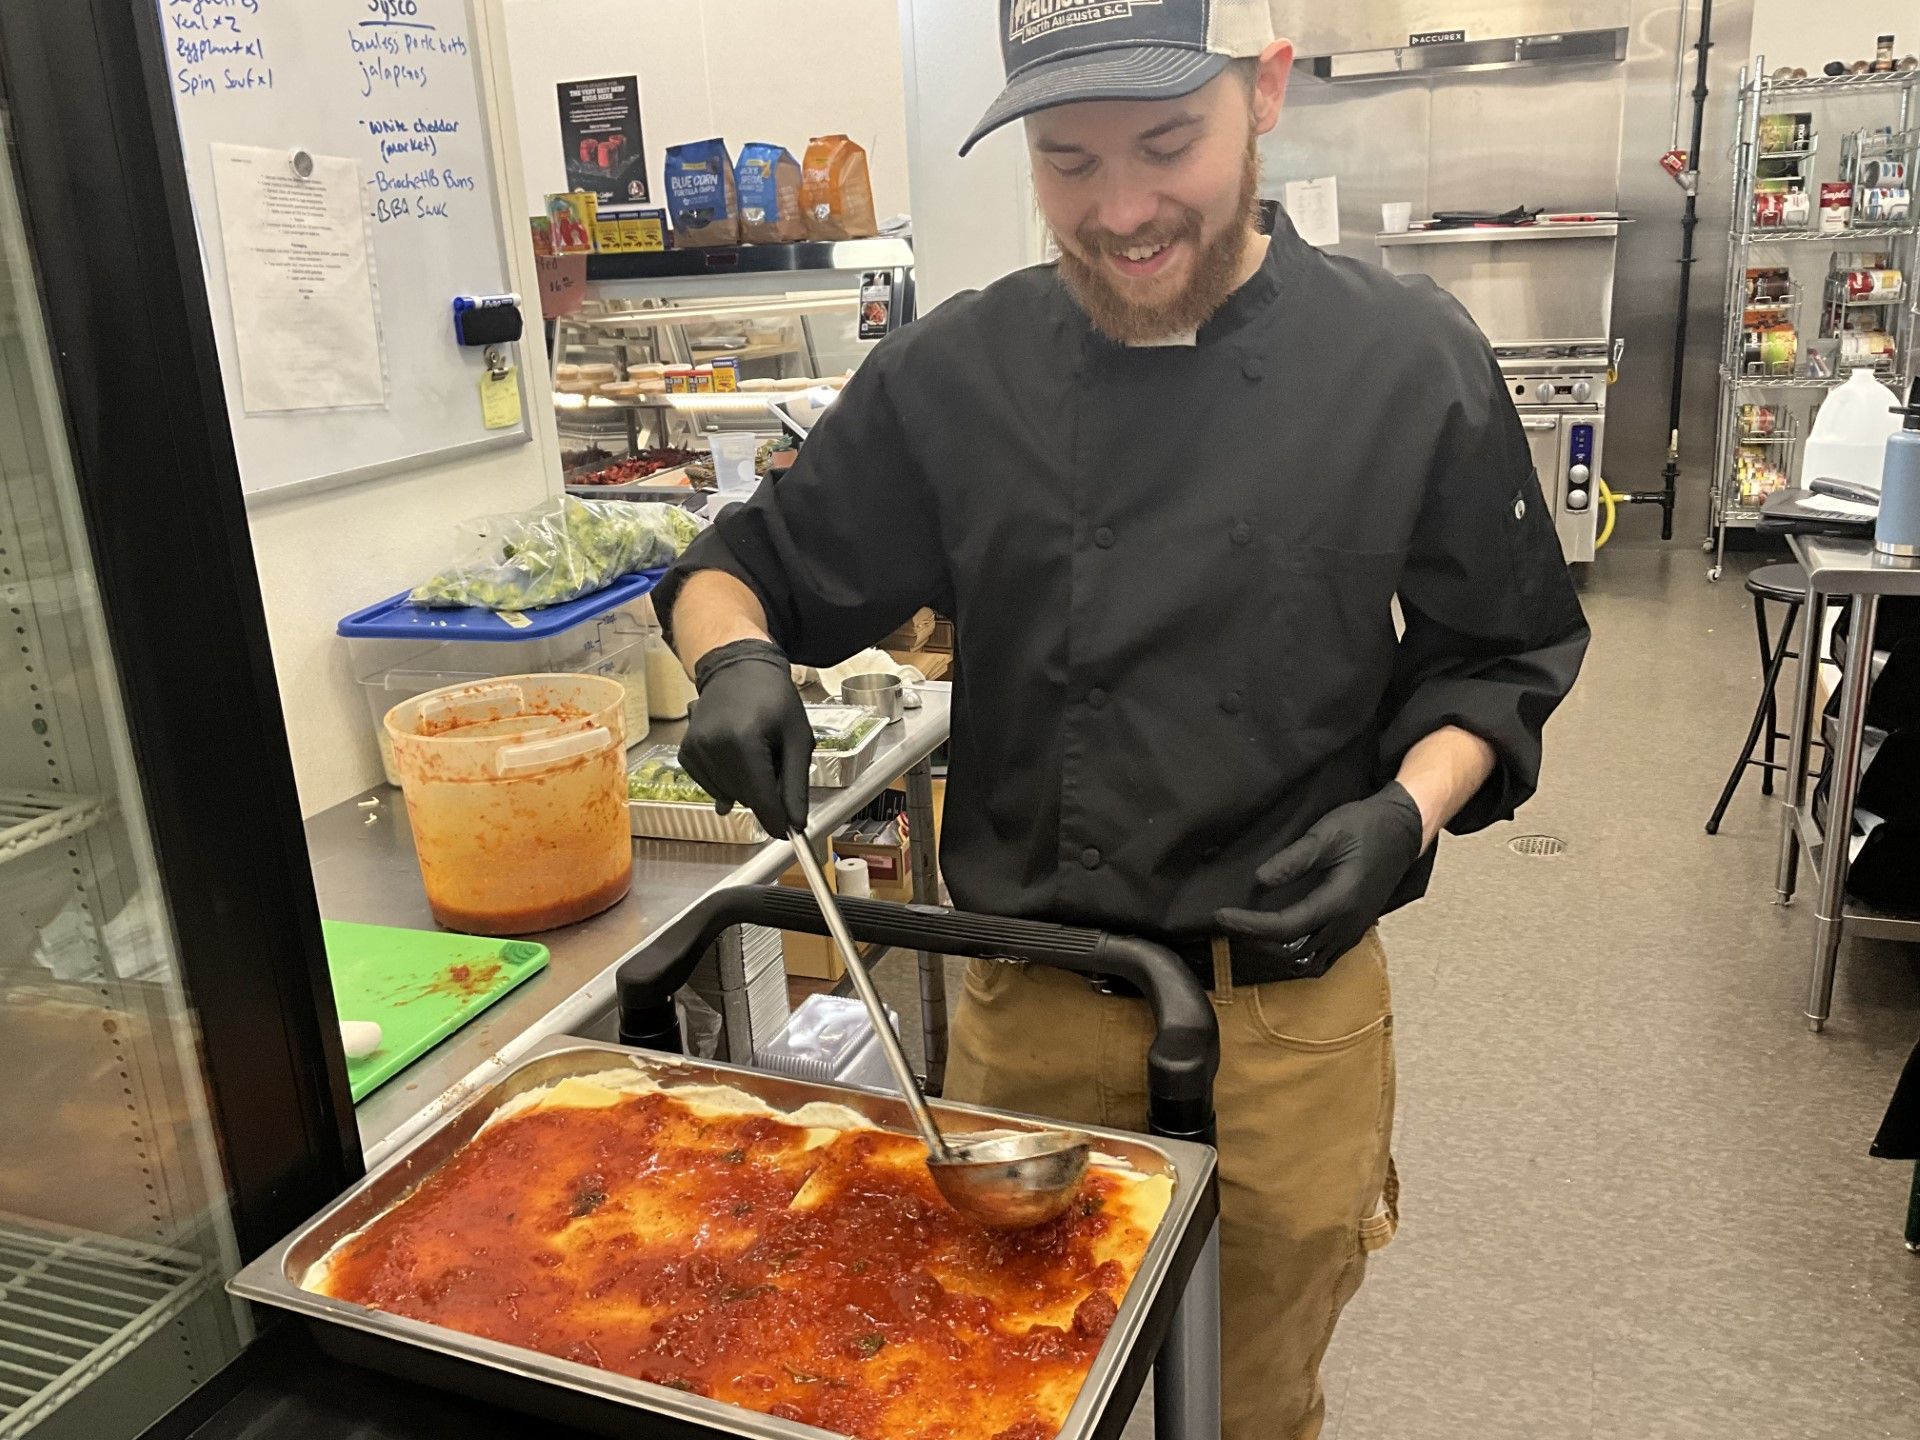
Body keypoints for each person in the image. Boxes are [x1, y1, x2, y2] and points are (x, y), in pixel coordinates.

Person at [653, 2, 1590, 1434]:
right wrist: (734, 667)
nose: (1122, 210)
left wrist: (1408, 806)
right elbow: (737, 568)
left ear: (1264, 92)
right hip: (1030, 1011)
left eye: (1167, 145)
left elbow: (1503, 649)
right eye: (1067, 160)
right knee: (994, 1395)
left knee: (1251, 1400)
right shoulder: (958, 375)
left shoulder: (1407, 358)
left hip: (1285, 1014)